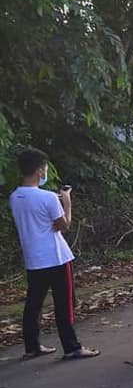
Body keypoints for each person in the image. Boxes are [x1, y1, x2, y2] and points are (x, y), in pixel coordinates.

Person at [10, 148, 100, 360]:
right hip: (56, 257)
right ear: (40, 170)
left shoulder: (15, 197)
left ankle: (32, 346)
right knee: (64, 303)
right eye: (45, 168)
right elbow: (63, 225)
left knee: (34, 303)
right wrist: (67, 202)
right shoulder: (49, 197)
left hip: (33, 259)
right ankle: (72, 347)